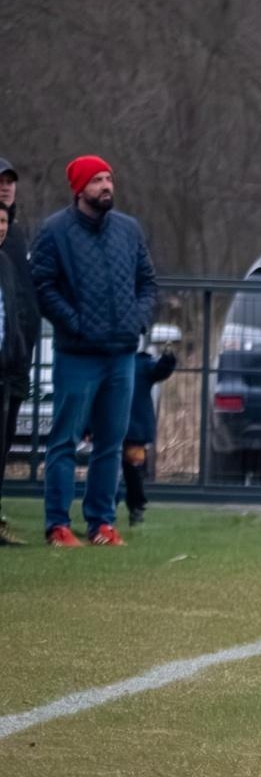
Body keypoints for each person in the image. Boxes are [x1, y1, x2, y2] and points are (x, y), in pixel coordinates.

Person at [30, 154, 158, 546]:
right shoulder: (54, 231)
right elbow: (43, 286)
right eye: (97, 180)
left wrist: (136, 321)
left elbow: (147, 283)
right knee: (65, 440)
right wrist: (76, 323)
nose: (106, 186)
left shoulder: (128, 230)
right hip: (78, 355)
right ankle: (58, 525)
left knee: (111, 442)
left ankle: (101, 522)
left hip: (121, 355)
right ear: (79, 188)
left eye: (109, 179)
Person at [0, 156, 40, 541]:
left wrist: (23, 344)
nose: (6, 186)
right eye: (0, 181)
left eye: (11, 181)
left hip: (15, 358)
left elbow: (22, 299)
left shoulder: (17, 234)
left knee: (6, 438)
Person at [120, 341, 177, 525]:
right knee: (110, 469)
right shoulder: (115, 360)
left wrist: (167, 359)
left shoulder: (142, 362)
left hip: (134, 429)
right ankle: (105, 512)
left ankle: (136, 508)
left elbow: (159, 371)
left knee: (134, 471)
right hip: (114, 426)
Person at [0, 200, 30, 545]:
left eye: (4, 220)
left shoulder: (6, 263)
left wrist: (17, 354)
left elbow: (12, 314)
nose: (1, 226)